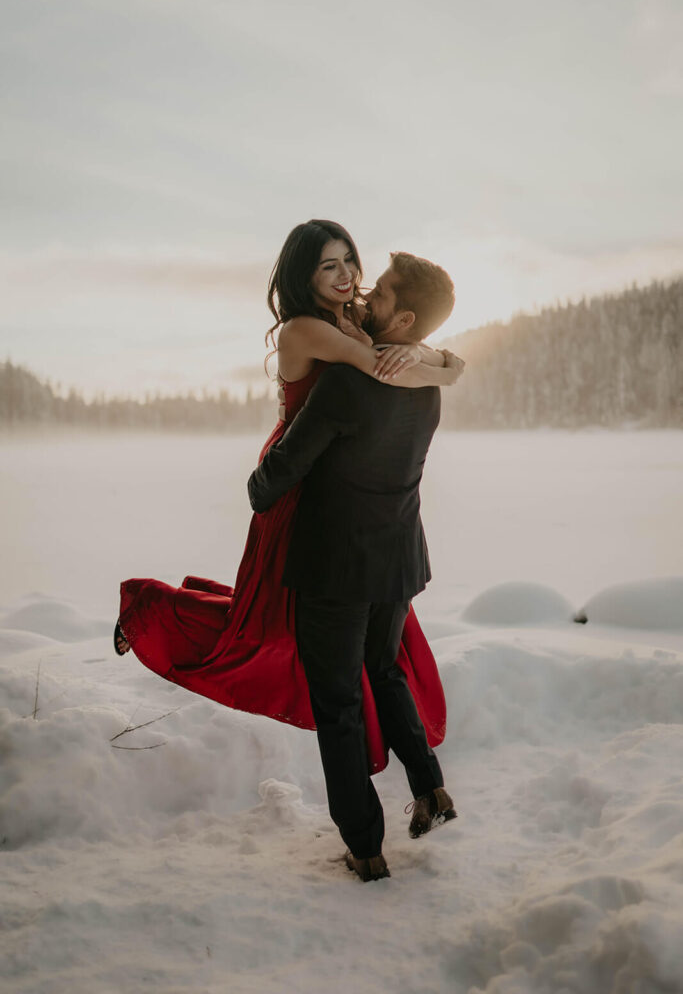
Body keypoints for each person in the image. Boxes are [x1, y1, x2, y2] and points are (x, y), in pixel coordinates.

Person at [116, 219, 463, 781]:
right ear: (305, 275)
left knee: (296, 628)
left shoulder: (351, 318)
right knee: (258, 625)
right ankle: (150, 609)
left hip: (337, 477)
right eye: (329, 266)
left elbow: (395, 352)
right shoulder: (304, 329)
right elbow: (381, 367)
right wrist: (446, 365)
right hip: (297, 473)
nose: (349, 276)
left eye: (351, 260)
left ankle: (397, 777)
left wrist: (438, 361)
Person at [248, 247, 459, 882]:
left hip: (335, 569)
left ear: (405, 319)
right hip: (397, 561)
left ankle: (365, 848)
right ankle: (431, 789)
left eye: (384, 294)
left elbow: (275, 481)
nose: (366, 295)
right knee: (384, 672)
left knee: (338, 705)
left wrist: (262, 472)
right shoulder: (424, 386)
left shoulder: (345, 383)